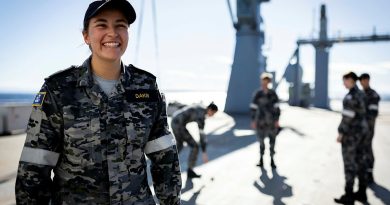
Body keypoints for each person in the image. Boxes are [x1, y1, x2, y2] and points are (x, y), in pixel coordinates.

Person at [15, 1, 181, 204]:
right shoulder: (58, 89)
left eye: (120, 25)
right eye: (102, 25)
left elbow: (165, 159)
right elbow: (34, 169)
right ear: (86, 36)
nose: (112, 33)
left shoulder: (146, 87)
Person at [335, 72, 369, 205]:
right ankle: (362, 193)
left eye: (344, 81)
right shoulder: (361, 94)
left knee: (349, 164)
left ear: (351, 80)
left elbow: (347, 118)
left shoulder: (351, 96)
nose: (344, 83)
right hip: (362, 134)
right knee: (361, 163)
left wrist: (341, 133)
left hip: (351, 135)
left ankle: (348, 195)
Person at [171, 102, 218, 178]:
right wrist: (204, 151)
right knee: (194, 146)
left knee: (179, 145)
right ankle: (190, 171)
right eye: (213, 113)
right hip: (178, 124)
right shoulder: (201, 114)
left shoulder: (201, 107)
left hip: (175, 121)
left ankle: (168, 165)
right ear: (210, 109)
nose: (212, 115)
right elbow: (201, 134)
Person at [250, 73, 280, 169]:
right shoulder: (258, 94)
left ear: (269, 82)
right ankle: (261, 160)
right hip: (260, 123)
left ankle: (272, 161)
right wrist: (253, 121)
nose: (264, 84)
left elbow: (277, 108)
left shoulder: (273, 94)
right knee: (261, 142)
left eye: (266, 82)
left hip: (271, 122)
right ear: (261, 82)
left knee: (272, 143)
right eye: (263, 82)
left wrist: (277, 120)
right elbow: (253, 108)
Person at [359, 73, 380, 184]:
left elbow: (373, 113)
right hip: (360, 129)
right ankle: (363, 173)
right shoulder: (361, 94)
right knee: (361, 151)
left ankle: (369, 173)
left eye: (365, 80)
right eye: (361, 80)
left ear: (368, 80)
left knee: (367, 149)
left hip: (368, 128)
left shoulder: (373, 95)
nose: (363, 82)